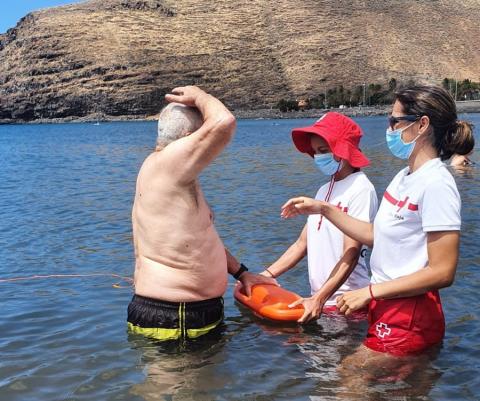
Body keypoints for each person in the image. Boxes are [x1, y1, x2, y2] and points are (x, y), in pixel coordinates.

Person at [281, 85, 475, 358]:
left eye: (394, 121)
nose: (390, 128)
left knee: (350, 380)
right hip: (386, 304)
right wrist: (324, 209)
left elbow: (443, 272)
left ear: (422, 125)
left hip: (410, 309)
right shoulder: (404, 177)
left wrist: (370, 292)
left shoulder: (437, 184)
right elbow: (377, 235)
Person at [128, 86, 277, 341]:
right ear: (187, 138)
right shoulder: (168, 164)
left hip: (187, 314)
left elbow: (199, 237)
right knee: (174, 383)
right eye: (200, 136)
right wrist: (200, 97)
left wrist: (241, 273)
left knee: (207, 381)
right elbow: (224, 122)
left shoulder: (173, 173)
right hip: (175, 316)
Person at [261, 112, 378, 323]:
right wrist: (266, 276)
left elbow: (351, 253)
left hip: (347, 305)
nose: (318, 157)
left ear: (343, 150)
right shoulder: (324, 190)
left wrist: (319, 298)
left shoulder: (361, 188)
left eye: (323, 150)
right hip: (322, 301)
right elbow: (301, 244)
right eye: (315, 152)